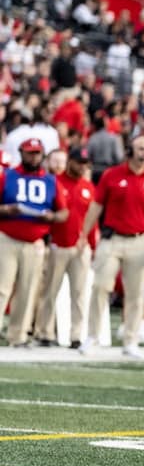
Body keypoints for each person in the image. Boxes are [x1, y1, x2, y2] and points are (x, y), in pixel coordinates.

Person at [78, 135, 144, 358]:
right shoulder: (112, 175)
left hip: (139, 241)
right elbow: (96, 206)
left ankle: (131, 339)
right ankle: (92, 336)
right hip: (112, 239)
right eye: (140, 148)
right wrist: (84, 234)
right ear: (130, 150)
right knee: (100, 286)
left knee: (136, 293)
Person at [0, 138, 67, 347]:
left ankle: (18, 335)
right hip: (7, 237)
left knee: (28, 290)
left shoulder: (50, 180)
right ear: (21, 153)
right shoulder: (7, 176)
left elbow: (63, 212)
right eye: (30, 152)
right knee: (2, 288)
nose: (33, 156)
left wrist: (52, 218)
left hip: (35, 241)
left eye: (37, 153)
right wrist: (5, 211)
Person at [35, 146, 95, 348]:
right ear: (71, 161)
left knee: (78, 293)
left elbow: (92, 219)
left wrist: (91, 244)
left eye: (85, 164)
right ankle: (45, 332)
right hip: (58, 244)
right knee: (50, 291)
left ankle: (76, 335)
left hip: (81, 247)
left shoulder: (88, 187)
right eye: (79, 162)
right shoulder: (55, 182)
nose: (81, 167)